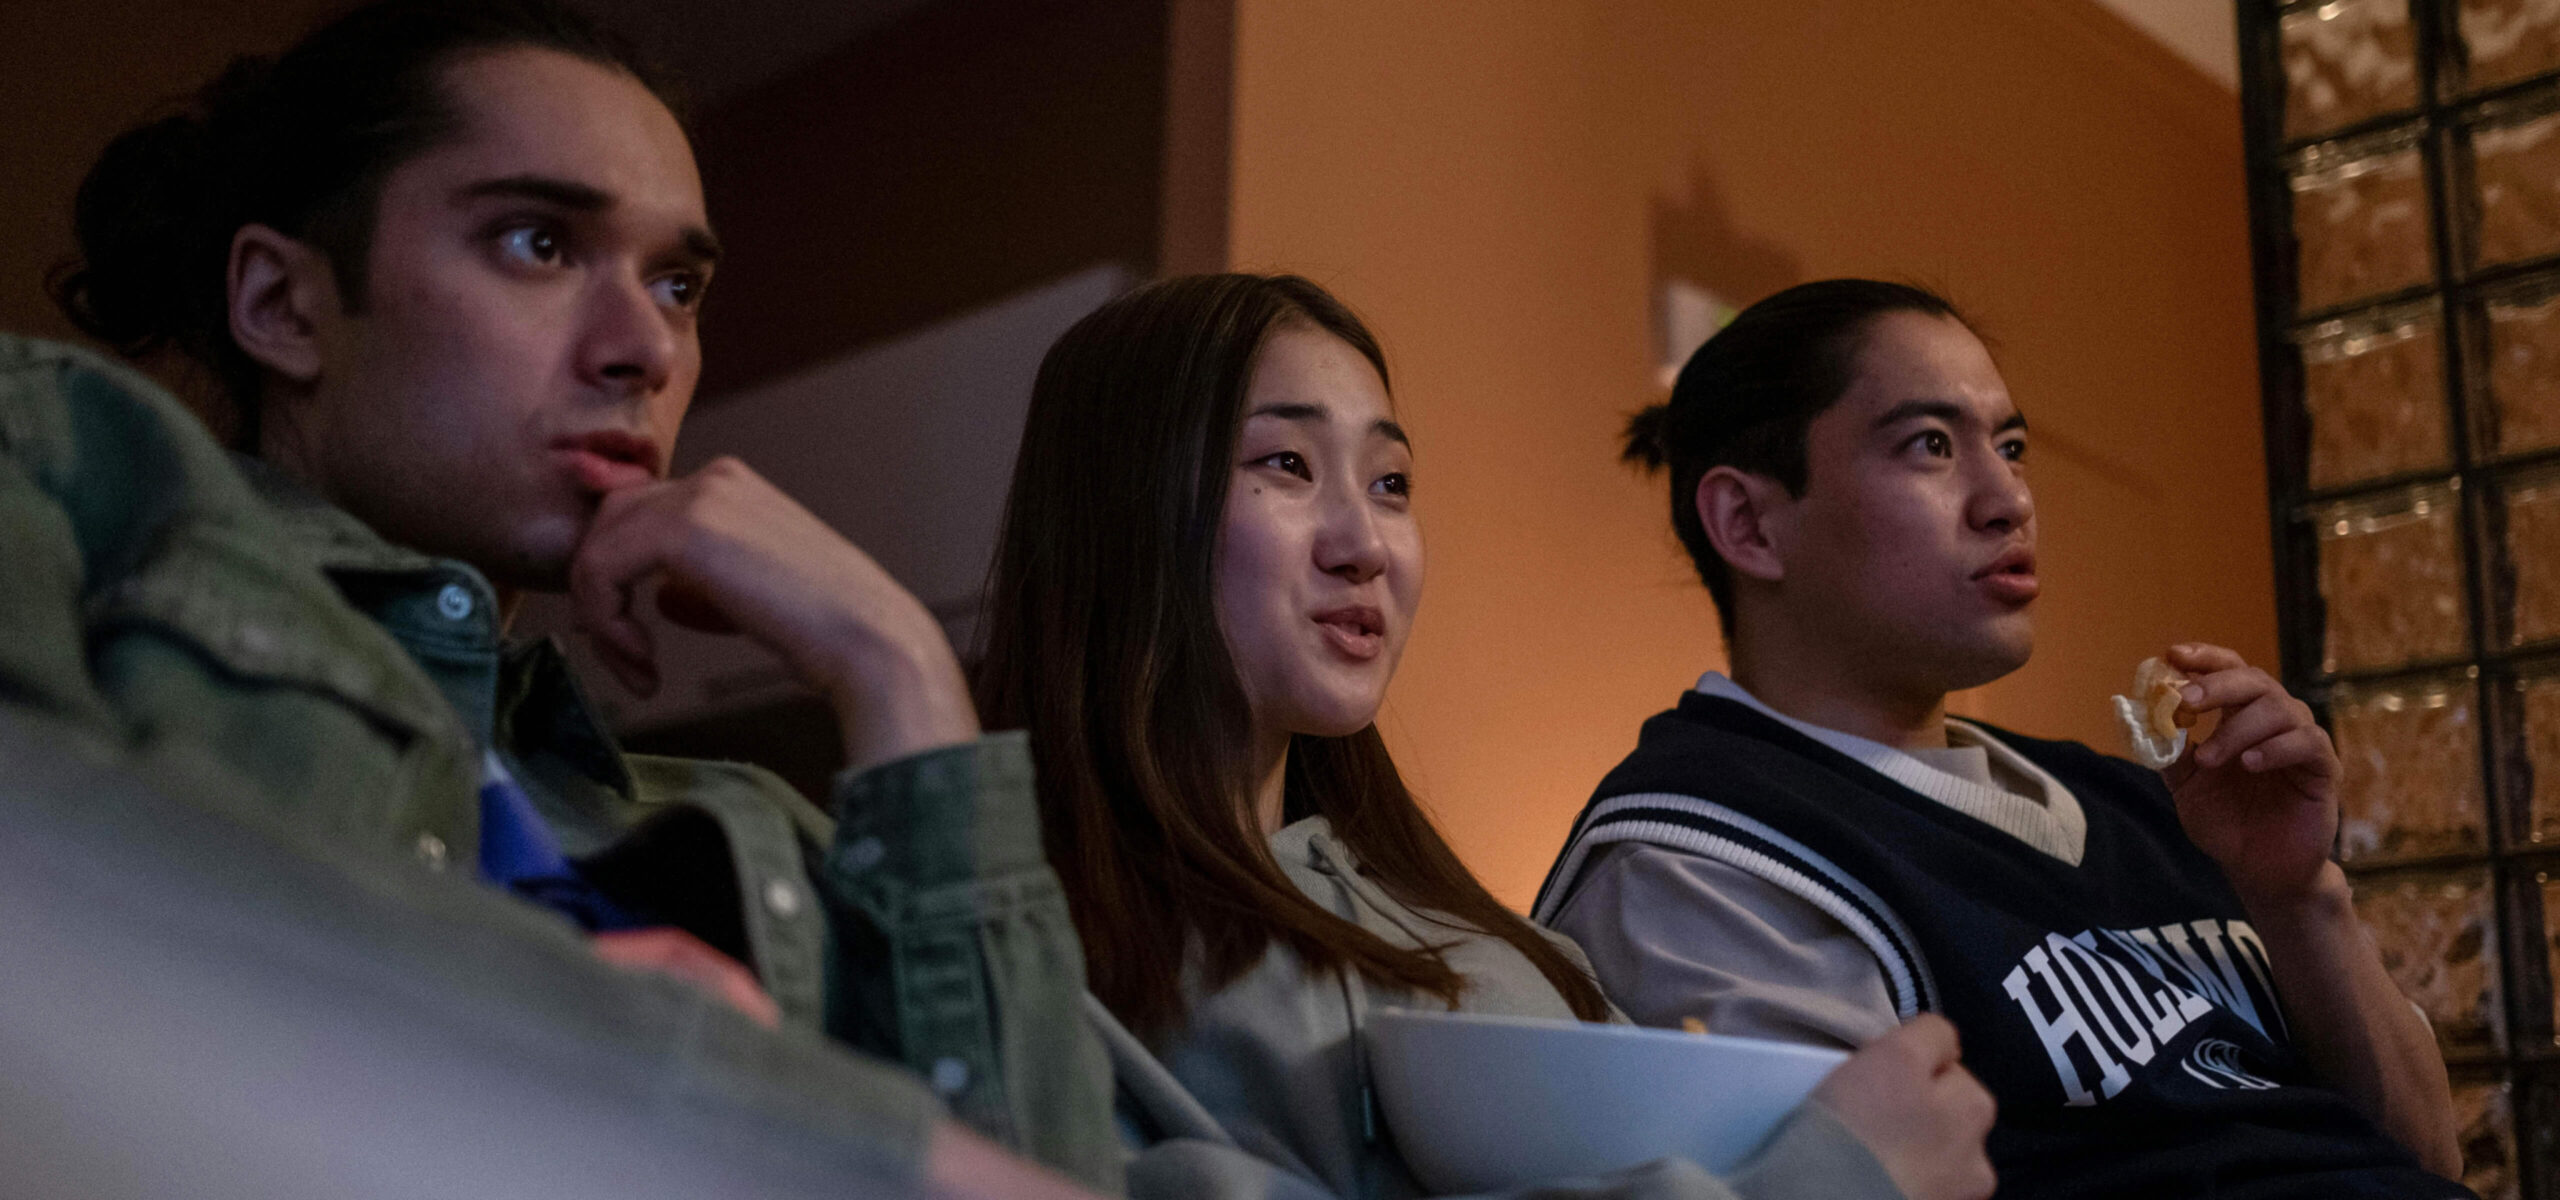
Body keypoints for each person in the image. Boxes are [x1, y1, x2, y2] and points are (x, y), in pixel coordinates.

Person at [5, 0, 1111, 1189]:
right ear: (283, 305)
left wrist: (895, 664)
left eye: (679, 283)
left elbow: (1035, 1178)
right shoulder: (66, 464)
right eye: (538, 243)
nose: (644, 348)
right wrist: (616, 1048)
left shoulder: (759, 831)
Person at [974, 272, 1998, 1200]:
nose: (1365, 545)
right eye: (1288, 464)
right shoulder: (1023, 949)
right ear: (1123, 508)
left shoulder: (1490, 941)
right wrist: (1830, 1179)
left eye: (1389, 484)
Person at [1535, 279, 2469, 1198]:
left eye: (2012, 446)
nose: (2008, 499)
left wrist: (2299, 894)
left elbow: (2428, 1159)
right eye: (1931, 445)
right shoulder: (1700, 858)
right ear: (1748, 523)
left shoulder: (2156, 801)